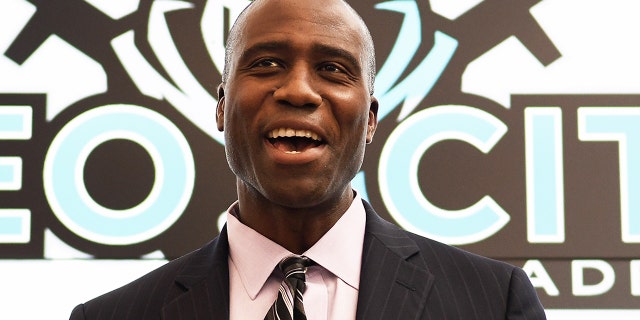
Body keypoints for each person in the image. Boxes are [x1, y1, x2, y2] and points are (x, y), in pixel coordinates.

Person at [69, 0, 547, 319]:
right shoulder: (112, 316)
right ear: (220, 106)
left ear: (371, 121)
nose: (298, 90)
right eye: (266, 63)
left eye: (332, 69)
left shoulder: (492, 302)